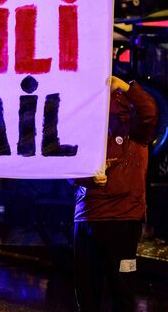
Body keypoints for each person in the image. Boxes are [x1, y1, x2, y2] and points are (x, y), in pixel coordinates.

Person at [72, 75, 157, 312]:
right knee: (87, 292)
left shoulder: (136, 132)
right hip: (88, 217)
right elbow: (67, 166)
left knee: (122, 290)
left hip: (123, 218)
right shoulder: (86, 132)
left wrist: (127, 87)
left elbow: (150, 111)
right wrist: (86, 179)